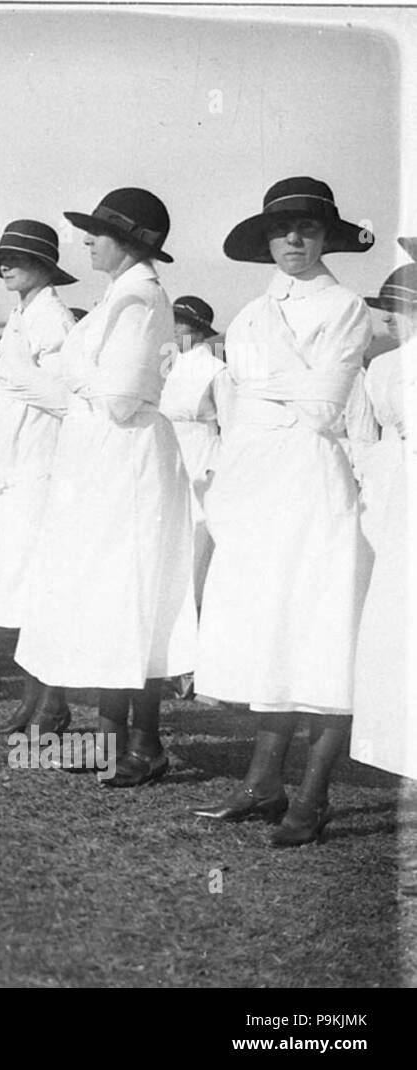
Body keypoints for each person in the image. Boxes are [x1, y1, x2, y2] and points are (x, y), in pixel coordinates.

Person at [192, 177, 373, 844]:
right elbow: (247, 409)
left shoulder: (346, 307)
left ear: (326, 237)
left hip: (313, 482)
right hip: (258, 479)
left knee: (319, 634)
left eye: (308, 228)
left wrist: (266, 386)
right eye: (281, 230)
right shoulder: (251, 313)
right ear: (266, 241)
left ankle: (314, 796)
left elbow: (325, 407)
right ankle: (263, 784)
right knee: (271, 632)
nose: (294, 240)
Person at [14, 189, 196, 784]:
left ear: (130, 243)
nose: (88, 240)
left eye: (100, 232)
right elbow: (107, 388)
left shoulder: (141, 298)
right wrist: (86, 380)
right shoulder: (119, 295)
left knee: (131, 591)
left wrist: (74, 372)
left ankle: (140, 743)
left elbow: (119, 398)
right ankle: (119, 740)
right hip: (102, 458)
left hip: (128, 457)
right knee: (109, 592)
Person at [0, 220, 77, 733]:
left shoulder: (54, 319)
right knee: (20, 584)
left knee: (39, 586)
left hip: (40, 466)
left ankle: (52, 701)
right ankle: (33, 699)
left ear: (43, 266)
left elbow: (67, 398)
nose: (5, 266)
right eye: (2, 258)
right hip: (10, 461)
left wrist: (12, 372)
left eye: (17, 258)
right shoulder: (21, 315)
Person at [349, 262, 414, 781]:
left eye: (400, 308)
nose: (390, 318)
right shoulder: (384, 365)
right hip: (386, 476)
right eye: (388, 309)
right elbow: (368, 429)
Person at [158, 295, 230, 602]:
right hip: (168, 452)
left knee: (197, 531)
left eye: (182, 323)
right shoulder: (167, 368)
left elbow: (232, 426)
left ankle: (195, 604)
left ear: (199, 330)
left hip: (203, 458)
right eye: (172, 322)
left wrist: (220, 468)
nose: (174, 329)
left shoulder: (217, 371)